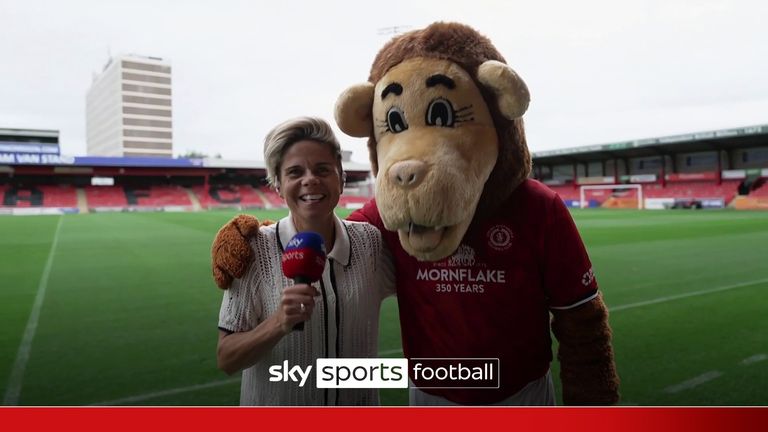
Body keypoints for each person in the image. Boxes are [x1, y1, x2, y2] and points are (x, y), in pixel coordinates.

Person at [215, 117, 394, 406]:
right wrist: (277, 324)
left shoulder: (370, 242)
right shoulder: (253, 250)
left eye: (323, 169)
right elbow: (226, 358)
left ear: (342, 178)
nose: (310, 179)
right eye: (295, 172)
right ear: (277, 185)